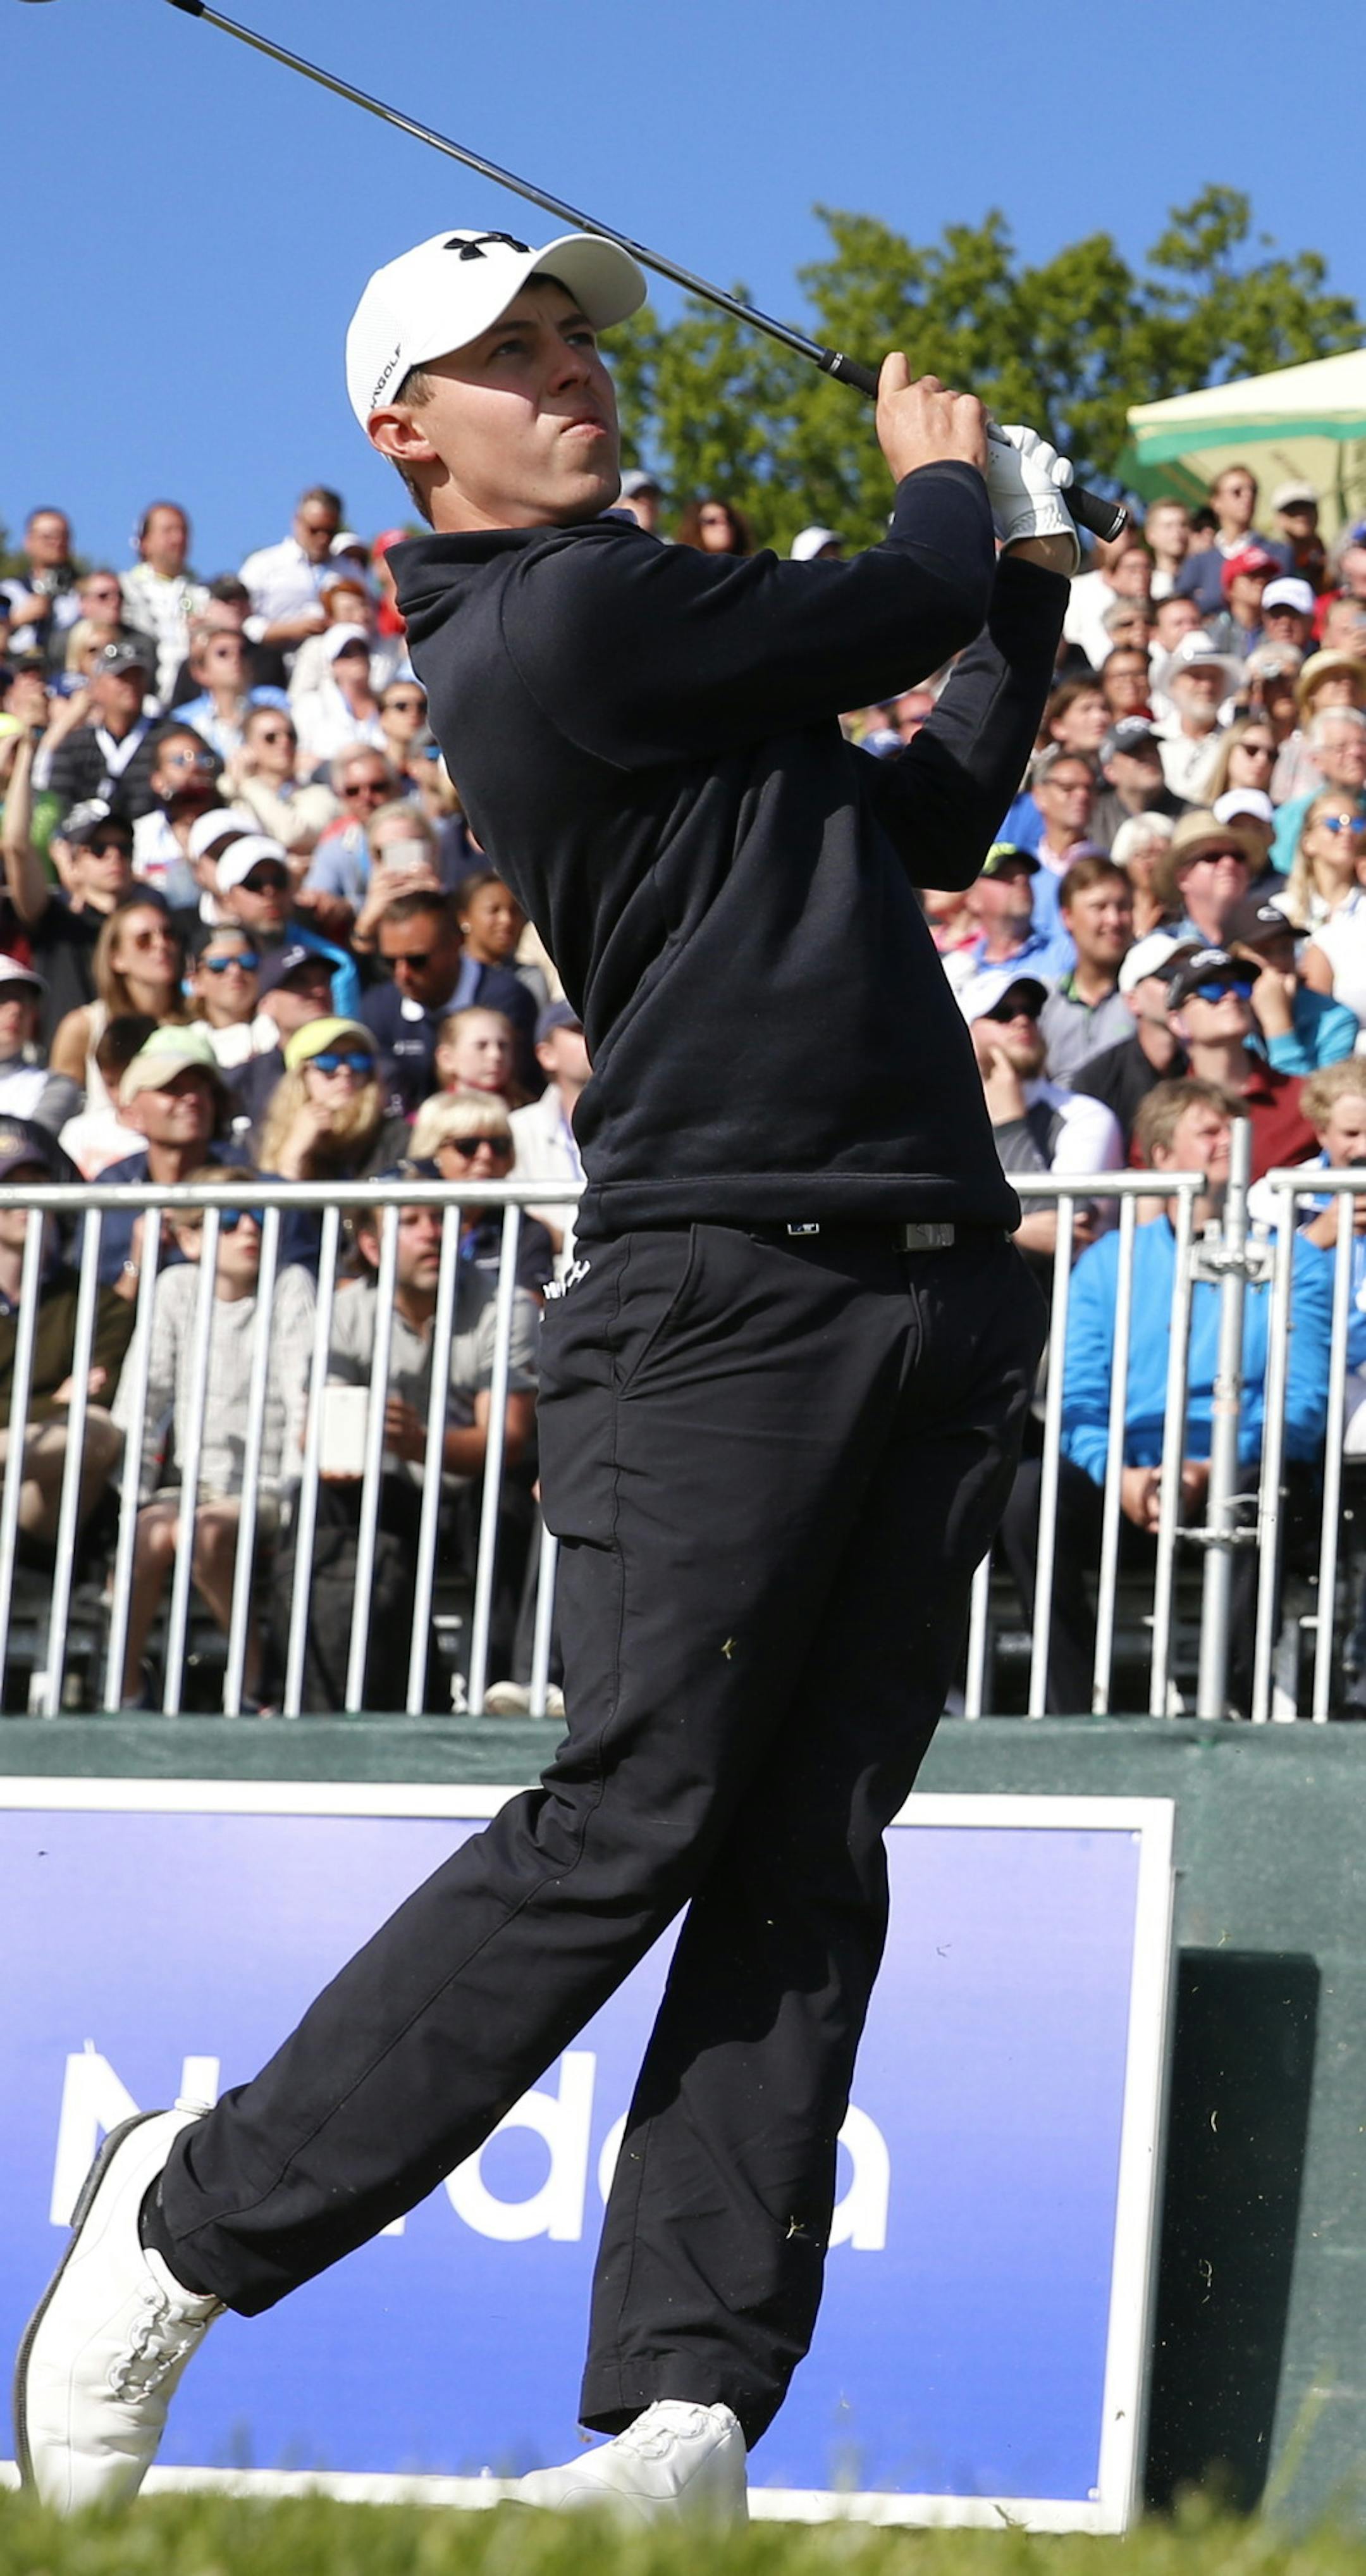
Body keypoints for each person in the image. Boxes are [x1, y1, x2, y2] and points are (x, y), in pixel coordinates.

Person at [16, 225, 1077, 2521]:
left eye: (577, 333)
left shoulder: (667, 650)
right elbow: (897, 599)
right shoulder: (553, 613)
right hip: (721, 1296)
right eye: (505, 352)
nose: (568, 369)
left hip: (929, 1288)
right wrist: (949, 489)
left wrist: (1041, 588)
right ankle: (186, 2221)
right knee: (632, 1821)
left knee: (808, 1863)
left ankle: (682, 2423)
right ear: (405, 433)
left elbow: (917, 815)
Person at [998, 1080, 1329, 1714]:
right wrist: (1119, 1474)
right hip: (1128, 1478)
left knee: (1265, 1490)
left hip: (1238, 1472)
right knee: (1025, 1497)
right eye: (1208, 1131)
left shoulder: (1295, 1260)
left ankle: (1228, 1704)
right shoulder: (1109, 1262)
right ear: (1158, 1155)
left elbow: (1303, 1403)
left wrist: (1210, 1467)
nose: (1228, 1141)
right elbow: (1076, 1393)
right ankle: (1068, 1708)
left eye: (1235, 1128)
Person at [270, 1180, 539, 1712]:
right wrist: (339, 1449)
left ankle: (501, 1689)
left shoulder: (505, 1304)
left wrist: (416, 1441)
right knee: (317, 1500)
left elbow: (506, 1440)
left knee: (506, 1499)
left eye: (441, 1219)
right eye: (411, 1221)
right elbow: (318, 1432)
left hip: (470, 1489)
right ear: (371, 1246)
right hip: (389, 1490)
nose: (432, 1234)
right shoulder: (342, 1310)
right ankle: (312, 1695)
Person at [112, 1170, 315, 1709]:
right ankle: (125, 1690)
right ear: (190, 1238)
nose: (248, 1228)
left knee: (200, 1533)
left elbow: (305, 1390)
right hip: (193, 1484)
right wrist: (131, 1492)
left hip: (269, 1485)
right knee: (146, 1535)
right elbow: (144, 1392)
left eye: (257, 1216)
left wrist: (297, 1491)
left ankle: (252, 1677)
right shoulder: (176, 1286)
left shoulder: (289, 1283)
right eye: (228, 1218)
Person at [0, 1118, 134, 1547]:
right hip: (30, 1451)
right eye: (11, 1186)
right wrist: (52, 1400)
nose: (28, 1200)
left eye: (38, 1183)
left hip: (34, 1506)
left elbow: (100, 1399)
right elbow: (63, 1403)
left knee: (95, 1430)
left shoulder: (97, 1302)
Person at [966, 975, 1123, 1279]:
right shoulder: (947, 1115)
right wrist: (1017, 1232)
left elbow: (1058, 1233)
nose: (1022, 1021)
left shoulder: (1084, 1115)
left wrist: (1010, 1123)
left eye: (1031, 1011)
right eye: (1002, 1013)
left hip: (1055, 1302)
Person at [361, 884, 534, 1112]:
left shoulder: (506, 999)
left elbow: (518, 1090)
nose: (402, 974)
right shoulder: (378, 1007)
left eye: (417, 960)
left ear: (455, 944)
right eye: (390, 963)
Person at [95, 1024, 235, 1287]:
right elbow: (97, 1319)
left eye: (201, 1088)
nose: (192, 1098)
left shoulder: (247, 1181)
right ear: (130, 1114)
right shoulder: (110, 1188)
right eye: (171, 1088)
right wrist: (137, 1262)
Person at [1164, 944, 1318, 1179]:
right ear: (1177, 1022)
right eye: (1212, 989)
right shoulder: (1164, 1111)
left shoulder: (1304, 1100)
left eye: (1241, 986)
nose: (1233, 996)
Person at [409, 1089, 558, 1293]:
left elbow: (526, 1313)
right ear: (432, 1152)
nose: (486, 1155)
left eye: (499, 1145)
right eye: (467, 1146)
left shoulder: (526, 1231)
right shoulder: (399, 1223)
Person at [48, 895, 188, 1104]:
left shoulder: (197, 1018)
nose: (161, 945)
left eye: (169, 935)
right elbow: (59, 1106)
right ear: (116, 959)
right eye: (144, 940)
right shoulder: (84, 1026)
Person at [1071, 928, 1192, 1149]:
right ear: (1132, 1000)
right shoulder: (1097, 1080)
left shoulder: (1206, 1060)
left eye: (1187, 972)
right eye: (1168, 975)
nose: (1182, 984)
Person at [257, 1016, 409, 1190]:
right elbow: (278, 1214)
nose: (345, 1071)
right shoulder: (267, 1138)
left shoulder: (395, 1136)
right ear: (300, 1076)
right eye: (328, 1062)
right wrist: (293, 1154)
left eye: (357, 1061)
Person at [1225, 891, 1358, 1075]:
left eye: (1285, 949)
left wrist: (1278, 1024)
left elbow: (1310, 1102)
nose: (1280, 961)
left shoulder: (1335, 1018)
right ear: (1235, 959)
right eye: (1265, 951)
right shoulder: (1223, 1012)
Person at [944, 843, 1073, 1018]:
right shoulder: (961, 971)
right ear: (973, 899)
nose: (1021, 880)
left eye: (1025, 875)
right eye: (1005, 876)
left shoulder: (1069, 952)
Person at [41, 640, 163, 825]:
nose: (130, 685)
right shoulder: (75, 746)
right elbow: (57, 803)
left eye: (136, 676)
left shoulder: (167, 738)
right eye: (121, 677)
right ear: (96, 687)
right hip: (91, 844)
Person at [1038, 854, 1135, 1082]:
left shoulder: (1148, 998)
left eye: (1123, 907)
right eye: (1099, 907)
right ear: (1067, 917)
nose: (1114, 920)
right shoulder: (1046, 1003)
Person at [510, 998, 588, 1269]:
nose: (593, 1036)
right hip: (542, 1285)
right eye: (578, 1029)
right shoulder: (517, 1130)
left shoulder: (633, 1123)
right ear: (546, 1054)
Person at [221, 705, 338, 862]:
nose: (284, 742)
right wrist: (235, 778)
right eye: (271, 737)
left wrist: (249, 784)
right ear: (247, 747)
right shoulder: (233, 793)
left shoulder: (319, 794)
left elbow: (292, 835)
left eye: (291, 736)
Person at [238, 486, 345, 658]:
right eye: (314, 530)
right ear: (297, 522)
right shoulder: (263, 565)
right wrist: (289, 630)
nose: (323, 539)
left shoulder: (348, 570)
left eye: (330, 532)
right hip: (272, 665)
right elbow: (240, 621)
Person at [120, 505, 209, 703]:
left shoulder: (202, 594)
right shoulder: (123, 588)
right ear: (145, 542)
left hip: (190, 698)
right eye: (168, 531)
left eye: (183, 531)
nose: (178, 539)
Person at [1175, 464, 1286, 616]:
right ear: (1216, 503)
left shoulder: (1277, 553)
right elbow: (1182, 607)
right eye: (1237, 492)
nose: (1248, 497)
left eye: (1253, 491)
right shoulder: (1199, 561)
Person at [173, 625, 288, 764]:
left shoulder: (275, 701)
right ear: (200, 672)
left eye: (243, 652)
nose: (236, 658)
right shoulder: (183, 720)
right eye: (223, 653)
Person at [1158, 808, 1263, 948]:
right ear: (1183, 878)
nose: (1229, 863)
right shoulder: (1163, 948)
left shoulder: (1274, 940)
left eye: (1238, 856)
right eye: (1212, 857)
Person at [1153, 636, 1241, 801]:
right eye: (1196, 676)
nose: (1206, 686)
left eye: (1213, 678)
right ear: (1174, 685)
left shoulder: (1236, 744)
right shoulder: (1153, 739)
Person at [0, 958, 81, 1133]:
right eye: (2, 998)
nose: (16, 1009)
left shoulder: (55, 1086)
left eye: (25, 1001)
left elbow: (28, 1147)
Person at [1, 509, 82, 669]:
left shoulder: (81, 595)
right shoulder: (7, 591)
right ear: (29, 541)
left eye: (63, 536)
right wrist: (15, 621)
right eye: (48, 537)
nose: (56, 543)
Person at [1090, 717, 1184, 853]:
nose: (1149, 757)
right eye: (1135, 752)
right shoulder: (1093, 819)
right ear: (1110, 772)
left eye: (1152, 748)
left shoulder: (1191, 816)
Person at [433, 1002, 523, 1105]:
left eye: (503, 1046)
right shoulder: (434, 1118)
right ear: (447, 1059)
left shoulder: (530, 1116)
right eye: (481, 1046)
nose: (496, 1055)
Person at [1110, 810, 1178, 941]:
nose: (1153, 864)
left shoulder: (1183, 908)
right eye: (1144, 855)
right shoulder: (1116, 911)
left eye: (1161, 855)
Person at [675, 496, 753, 555]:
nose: (724, 525)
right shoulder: (680, 571)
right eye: (712, 521)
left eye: (729, 520)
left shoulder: (755, 572)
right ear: (696, 528)